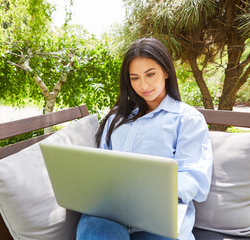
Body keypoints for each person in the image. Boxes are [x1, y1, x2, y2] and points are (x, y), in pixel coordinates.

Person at [76, 38, 213, 240]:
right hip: (112, 213)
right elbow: (101, 166)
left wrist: (150, 195)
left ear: (166, 71)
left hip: (159, 218)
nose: (144, 85)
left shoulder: (187, 119)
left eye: (150, 74)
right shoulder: (117, 118)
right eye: (135, 78)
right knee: (94, 227)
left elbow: (194, 177)